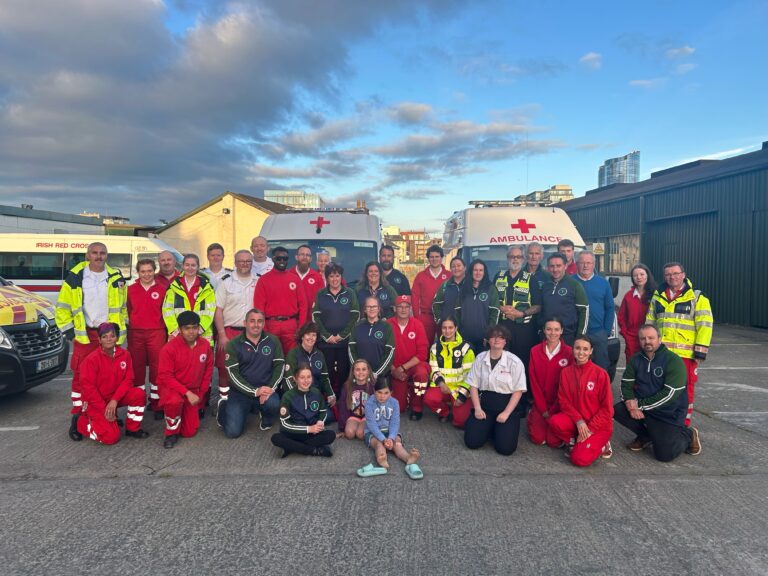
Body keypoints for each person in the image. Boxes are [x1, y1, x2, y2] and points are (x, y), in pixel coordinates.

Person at [56, 242, 128, 440]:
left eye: (102, 253)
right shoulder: (75, 276)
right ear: (87, 255)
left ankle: (108, 414)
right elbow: (62, 307)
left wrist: (122, 328)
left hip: (109, 334)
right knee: (81, 378)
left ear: (107, 255)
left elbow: (123, 307)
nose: (98, 256)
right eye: (94, 253)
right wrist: (70, 332)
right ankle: (78, 417)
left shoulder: (115, 276)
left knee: (111, 377)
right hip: (86, 335)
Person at [614, 324, 700, 460]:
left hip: (668, 413)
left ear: (659, 339)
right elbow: (625, 384)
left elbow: (669, 394)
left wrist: (639, 405)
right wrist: (630, 403)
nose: (647, 341)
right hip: (645, 409)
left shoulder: (673, 361)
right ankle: (646, 436)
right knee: (618, 410)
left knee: (664, 455)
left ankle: (688, 435)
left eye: (651, 338)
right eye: (643, 338)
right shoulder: (636, 360)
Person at [646, 262, 713, 427]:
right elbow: (650, 322)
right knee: (659, 387)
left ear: (683, 274)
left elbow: (705, 325)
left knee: (685, 389)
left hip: (686, 355)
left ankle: (684, 424)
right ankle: (663, 423)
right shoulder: (658, 296)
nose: (672, 277)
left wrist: (700, 352)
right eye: (668, 274)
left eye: (675, 273)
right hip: (661, 354)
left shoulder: (696, 297)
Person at [72, 322, 149, 444]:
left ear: (117, 338)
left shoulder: (125, 355)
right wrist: (105, 410)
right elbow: (89, 390)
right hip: (96, 402)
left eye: (112, 336)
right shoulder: (91, 360)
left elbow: (128, 380)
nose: (109, 339)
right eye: (105, 336)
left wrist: (114, 400)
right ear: (99, 340)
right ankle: (81, 423)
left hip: (113, 398)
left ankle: (132, 429)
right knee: (111, 438)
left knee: (138, 394)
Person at [548, 335, 614, 466]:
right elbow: (564, 401)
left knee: (579, 459)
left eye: (585, 349)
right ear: (573, 350)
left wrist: (590, 429)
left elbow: (607, 409)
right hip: (578, 421)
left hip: (597, 425)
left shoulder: (600, 374)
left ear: (591, 351)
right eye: (578, 348)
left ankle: (603, 445)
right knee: (554, 423)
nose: (581, 352)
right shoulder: (566, 372)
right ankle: (576, 440)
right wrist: (579, 421)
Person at [218, 308, 283, 438]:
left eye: (260, 321)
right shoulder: (234, 344)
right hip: (240, 392)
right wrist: (254, 391)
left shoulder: (273, 340)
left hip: (265, 390)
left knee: (274, 404)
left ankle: (264, 417)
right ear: (245, 323)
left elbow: (279, 366)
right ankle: (223, 407)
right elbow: (232, 375)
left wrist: (270, 388)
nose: (256, 325)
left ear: (264, 324)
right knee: (232, 433)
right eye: (252, 321)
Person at [463, 325, 526, 455]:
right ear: (488, 340)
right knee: (472, 442)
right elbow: (473, 385)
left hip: (506, 407)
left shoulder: (515, 361)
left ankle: (496, 429)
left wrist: (506, 413)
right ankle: (490, 428)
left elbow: (518, 391)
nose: (497, 339)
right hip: (485, 406)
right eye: (493, 336)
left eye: (501, 337)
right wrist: (478, 409)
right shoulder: (480, 358)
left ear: (505, 341)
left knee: (505, 449)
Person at [157, 311, 214, 449]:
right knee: (174, 402)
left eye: (194, 327)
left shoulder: (205, 345)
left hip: (193, 391)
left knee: (189, 432)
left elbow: (208, 371)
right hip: (172, 390)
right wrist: (187, 393)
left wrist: (200, 394)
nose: (191, 332)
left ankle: (181, 416)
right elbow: (165, 376)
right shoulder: (169, 348)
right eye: (186, 328)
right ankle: (171, 432)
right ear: (180, 329)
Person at [213, 249, 258, 402]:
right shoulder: (225, 282)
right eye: (241, 261)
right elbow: (218, 310)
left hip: (252, 333)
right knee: (225, 368)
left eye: (248, 261)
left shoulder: (258, 281)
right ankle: (224, 401)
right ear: (235, 263)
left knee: (250, 367)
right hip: (229, 333)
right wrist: (221, 334)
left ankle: (247, 400)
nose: (245, 264)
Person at [312, 263, 359, 406]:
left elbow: (355, 316)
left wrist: (341, 335)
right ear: (326, 278)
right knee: (328, 372)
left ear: (341, 277)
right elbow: (316, 316)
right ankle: (329, 399)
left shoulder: (349, 293)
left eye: (337, 276)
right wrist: (327, 336)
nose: (334, 279)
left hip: (344, 342)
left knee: (345, 371)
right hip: (326, 342)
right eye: (331, 276)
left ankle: (344, 399)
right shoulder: (321, 294)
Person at [127, 258, 166, 419]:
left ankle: (157, 404)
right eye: (143, 271)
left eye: (149, 271)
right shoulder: (130, 290)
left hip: (157, 332)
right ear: (138, 272)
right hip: (135, 333)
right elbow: (127, 310)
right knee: (137, 369)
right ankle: (139, 402)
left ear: (154, 271)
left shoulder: (163, 289)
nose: (146, 274)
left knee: (158, 369)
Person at [361, 379, 423, 480]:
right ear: (374, 391)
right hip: (373, 433)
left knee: (397, 443)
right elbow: (371, 424)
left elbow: (395, 422)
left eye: (386, 393)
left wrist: (391, 437)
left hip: (390, 432)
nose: (382, 396)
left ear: (391, 392)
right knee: (379, 445)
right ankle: (382, 458)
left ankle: (408, 458)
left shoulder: (394, 403)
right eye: (379, 392)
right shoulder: (369, 403)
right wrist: (383, 439)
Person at [494, 244, 542, 373]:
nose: (515, 259)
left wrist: (521, 313)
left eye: (518, 257)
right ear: (507, 258)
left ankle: (522, 393)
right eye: (512, 256)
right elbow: (490, 300)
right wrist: (501, 308)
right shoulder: (498, 276)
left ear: (523, 259)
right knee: (502, 363)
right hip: (502, 328)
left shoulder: (531, 279)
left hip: (524, 330)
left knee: (522, 364)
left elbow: (538, 306)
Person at [270, 365, 335, 458]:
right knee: (276, 438)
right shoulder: (287, 396)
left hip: (311, 434)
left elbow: (323, 410)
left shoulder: (316, 393)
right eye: (302, 377)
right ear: (295, 379)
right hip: (293, 433)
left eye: (309, 377)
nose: (306, 380)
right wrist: (309, 429)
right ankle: (314, 450)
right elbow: (284, 424)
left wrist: (320, 421)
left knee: (331, 435)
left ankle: (293, 447)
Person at [253, 246, 308, 353]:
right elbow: (259, 308)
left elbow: (303, 305)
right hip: (271, 325)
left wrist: (301, 327)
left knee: (292, 358)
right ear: (273, 259)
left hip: (291, 325)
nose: (282, 261)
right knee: (271, 358)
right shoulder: (264, 280)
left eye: (285, 258)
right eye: (279, 258)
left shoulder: (294, 279)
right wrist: (263, 329)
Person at [527, 317, 572, 447]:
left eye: (556, 329)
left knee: (554, 442)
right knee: (538, 439)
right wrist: (542, 409)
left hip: (559, 404)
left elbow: (567, 386)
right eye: (549, 329)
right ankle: (533, 414)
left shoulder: (569, 353)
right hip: (541, 404)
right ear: (544, 331)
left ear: (562, 331)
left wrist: (553, 409)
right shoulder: (535, 351)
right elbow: (533, 382)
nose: (553, 333)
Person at [424, 316, 475, 428]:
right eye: (444, 328)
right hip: (442, 387)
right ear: (441, 329)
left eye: (450, 328)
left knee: (461, 422)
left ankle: (456, 408)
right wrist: (441, 384)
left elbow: (470, 375)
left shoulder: (466, 348)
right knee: (429, 399)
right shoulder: (435, 347)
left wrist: (462, 396)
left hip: (459, 389)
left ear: (456, 328)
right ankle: (444, 412)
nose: (447, 331)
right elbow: (433, 370)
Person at [387, 295, 430, 420]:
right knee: (399, 408)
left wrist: (403, 367)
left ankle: (417, 407)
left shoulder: (417, 324)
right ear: (394, 309)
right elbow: (382, 351)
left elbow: (422, 353)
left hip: (413, 366)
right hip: (394, 368)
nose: (403, 309)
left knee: (422, 374)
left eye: (406, 307)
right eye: (400, 307)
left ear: (410, 309)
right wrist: (393, 369)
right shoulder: (387, 325)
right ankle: (408, 393)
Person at [573, 251, 615, 372]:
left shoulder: (603, 283)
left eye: (588, 263)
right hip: (577, 333)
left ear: (593, 264)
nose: (585, 266)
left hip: (598, 333)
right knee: (576, 367)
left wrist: (606, 331)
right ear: (576, 264)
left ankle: (599, 391)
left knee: (600, 367)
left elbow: (610, 308)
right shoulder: (570, 282)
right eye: (582, 263)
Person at [162, 253, 216, 344]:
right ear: (183, 266)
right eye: (187, 265)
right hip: (179, 335)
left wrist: (198, 330)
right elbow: (167, 311)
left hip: (202, 335)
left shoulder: (207, 287)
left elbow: (210, 310)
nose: (190, 268)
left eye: (193, 265)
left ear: (198, 267)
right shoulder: (173, 286)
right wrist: (177, 331)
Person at [283, 322, 335, 411]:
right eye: (308, 334)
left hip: (314, 395)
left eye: (314, 335)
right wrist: (300, 397)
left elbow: (324, 378)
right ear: (302, 336)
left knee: (329, 417)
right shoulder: (293, 353)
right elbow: (289, 378)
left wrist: (331, 394)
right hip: (297, 395)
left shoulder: (319, 354)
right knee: (302, 416)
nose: (311, 338)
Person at [540, 253, 588, 347]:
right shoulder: (545, 286)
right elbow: (541, 310)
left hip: (568, 336)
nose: (555, 269)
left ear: (565, 266)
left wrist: (580, 337)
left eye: (558, 266)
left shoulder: (575, 285)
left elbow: (584, 311)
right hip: (547, 336)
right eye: (552, 266)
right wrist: (539, 330)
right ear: (548, 268)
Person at [455, 259, 500, 353]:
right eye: (475, 270)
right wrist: (458, 334)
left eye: (481, 270)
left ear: (484, 272)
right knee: (467, 365)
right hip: (465, 338)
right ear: (471, 272)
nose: (478, 273)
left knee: (482, 366)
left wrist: (489, 335)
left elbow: (494, 314)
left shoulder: (491, 289)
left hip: (484, 339)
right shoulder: (463, 289)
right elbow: (457, 313)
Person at [349, 297, 395, 381]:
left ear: (378, 309)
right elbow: (351, 350)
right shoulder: (357, 326)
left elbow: (390, 352)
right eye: (368, 307)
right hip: (360, 377)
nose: (371, 309)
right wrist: (359, 371)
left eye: (374, 306)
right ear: (365, 310)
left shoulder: (386, 327)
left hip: (380, 377)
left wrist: (377, 374)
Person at [618, 264, 656, 363]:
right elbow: (621, 317)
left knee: (649, 366)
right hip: (632, 338)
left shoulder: (656, 295)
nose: (639, 277)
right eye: (635, 275)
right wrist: (626, 334)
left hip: (651, 338)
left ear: (647, 275)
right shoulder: (628, 296)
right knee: (632, 366)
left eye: (642, 274)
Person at [411, 245, 449, 344]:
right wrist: (417, 319)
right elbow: (415, 298)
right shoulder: (421, 276)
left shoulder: (449, 276)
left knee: (445, 344)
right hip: (426, 318)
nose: (434, 259)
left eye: (437, 256)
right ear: (428, 258)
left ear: (441, 258)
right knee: (425, 345)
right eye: (432, 257)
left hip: (444, 317)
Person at [337, 359, 376, 440]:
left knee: (360, 434)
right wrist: (342, 427)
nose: (360, 372)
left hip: (367, 416)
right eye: (357, 369)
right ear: (353, 372)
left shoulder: (373, 386)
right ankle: (356, 427)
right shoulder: (347, 386)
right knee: (349, 433)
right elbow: (343, 407)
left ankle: (365, 428)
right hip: (353, 416)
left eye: (364, 369)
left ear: (368, 371)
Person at [432, 256, 466, 325]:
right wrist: (440, 320)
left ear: (465, 268)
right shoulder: (445, 285)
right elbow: (436, 304)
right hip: (450, 330)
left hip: (468, 328)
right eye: (453, 266)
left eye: (459, 266)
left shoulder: (472, 284)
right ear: (450, 269)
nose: (456, 268)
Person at [293, 244, 324, 309]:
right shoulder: (288, 275)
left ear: (311, 259)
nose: (305, 257)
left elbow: (322, 300)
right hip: (292, 319)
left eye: (308, 255)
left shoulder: (318, 277)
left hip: (311, 318)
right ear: (296, 257)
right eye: (302, 254)